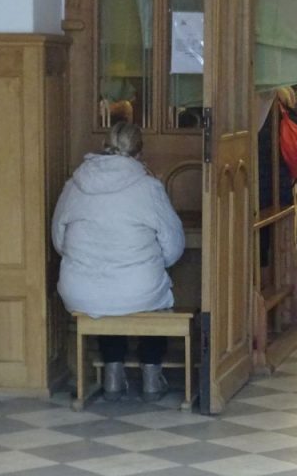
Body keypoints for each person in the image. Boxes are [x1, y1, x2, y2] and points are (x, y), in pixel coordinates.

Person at [52, 122, 185, 402]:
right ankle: (151, 375)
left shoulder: (74, 185)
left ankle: (112, 375)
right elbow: (174, 246)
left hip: (80, 289)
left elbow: (58, 241)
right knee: (149, 295)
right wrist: (153, 262)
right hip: (139, 288)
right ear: (140, 152)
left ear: (104, 146)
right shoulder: (149, 187)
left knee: (106, 296)